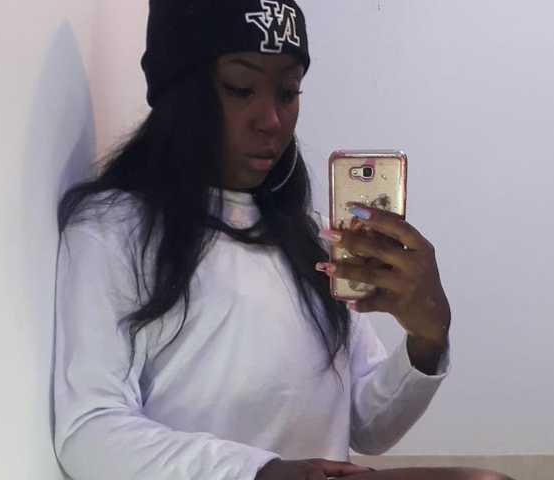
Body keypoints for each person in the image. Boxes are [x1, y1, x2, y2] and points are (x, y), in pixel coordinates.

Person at [52, 1, 513, 479]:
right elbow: (89, 430)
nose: (271, 119)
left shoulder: (312, 239)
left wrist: (427, 339)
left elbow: (368, 424)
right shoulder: (114, 229)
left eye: (288, 92)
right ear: (181, 92)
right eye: (241, 88)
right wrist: (264, 473)